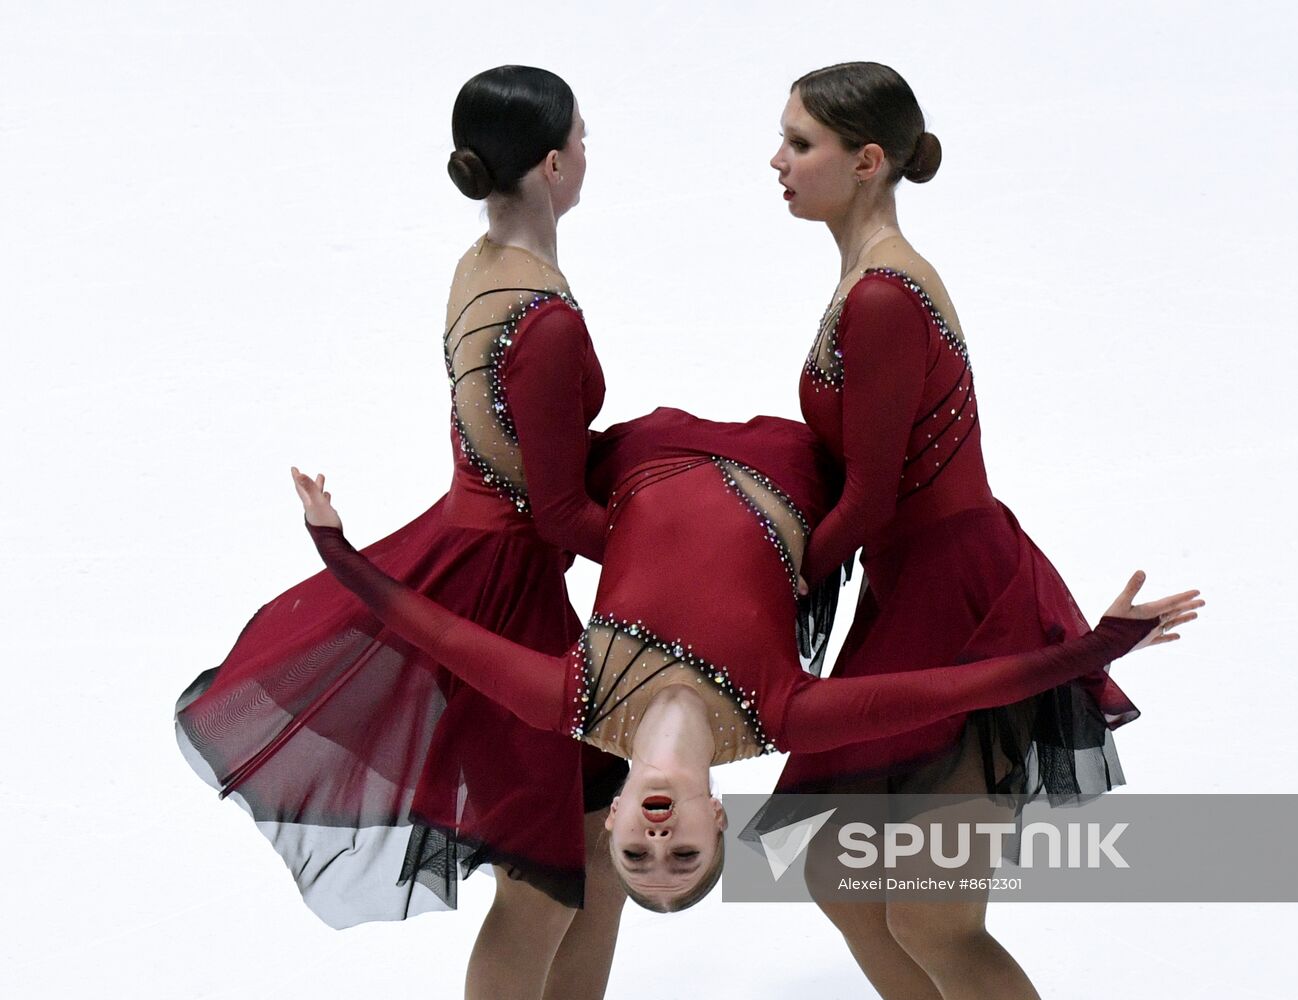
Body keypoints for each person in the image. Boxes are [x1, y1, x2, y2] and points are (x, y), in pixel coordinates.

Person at [290, 406, 1202, 914]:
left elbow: (433, 629)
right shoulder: (781, 713)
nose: (655, 839)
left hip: (644, 453)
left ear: (608, 829)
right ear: (717, 820)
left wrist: (335, 548)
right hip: (788, 465)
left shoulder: (569, 699)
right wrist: (1093, 647)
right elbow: (959, 685)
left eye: (640, 855)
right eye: (679, 852)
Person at [174, 66, 628, 1000]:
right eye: (582, 137)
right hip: (505, 608)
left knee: (598, 848)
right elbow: (559, 513)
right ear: (550, 164)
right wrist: (688, 552)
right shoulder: (541, 319)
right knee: (543, 886)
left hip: (490, 573)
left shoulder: (480, 266)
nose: (590, 151)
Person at [767, 61, 1171, 999]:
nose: (778, 161)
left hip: (961, 596)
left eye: (800, 143)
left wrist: (769, 587)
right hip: (911, 586)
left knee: (933, 912)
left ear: (867, 160)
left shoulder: (882, 295)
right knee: (840, 871)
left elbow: (867, 500)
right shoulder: (864, 278)